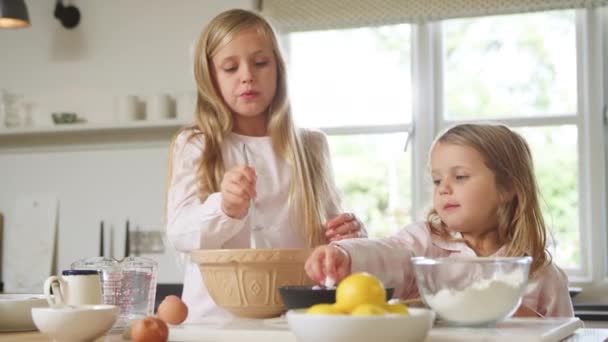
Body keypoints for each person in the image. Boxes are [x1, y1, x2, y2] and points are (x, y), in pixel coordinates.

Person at [165, 8, 365, 321]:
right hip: (213, 321)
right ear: (210, 78)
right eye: (230, 68)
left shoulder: (311, 146)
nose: (247, 75)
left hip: (296, 320)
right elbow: (180, 233)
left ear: (278, 69)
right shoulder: (197, 144)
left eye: (260, 63)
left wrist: (350, 235)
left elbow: (331, 236)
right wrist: (225, 208)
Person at [305, 123, 574, 317]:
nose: (443, 188)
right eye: (437, 180)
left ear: (507, 188)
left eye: (460, 177)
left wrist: (528, 323)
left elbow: (565, 334)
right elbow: (389, 252)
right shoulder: (425, 244)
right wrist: (346, 255)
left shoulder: (544, 277)